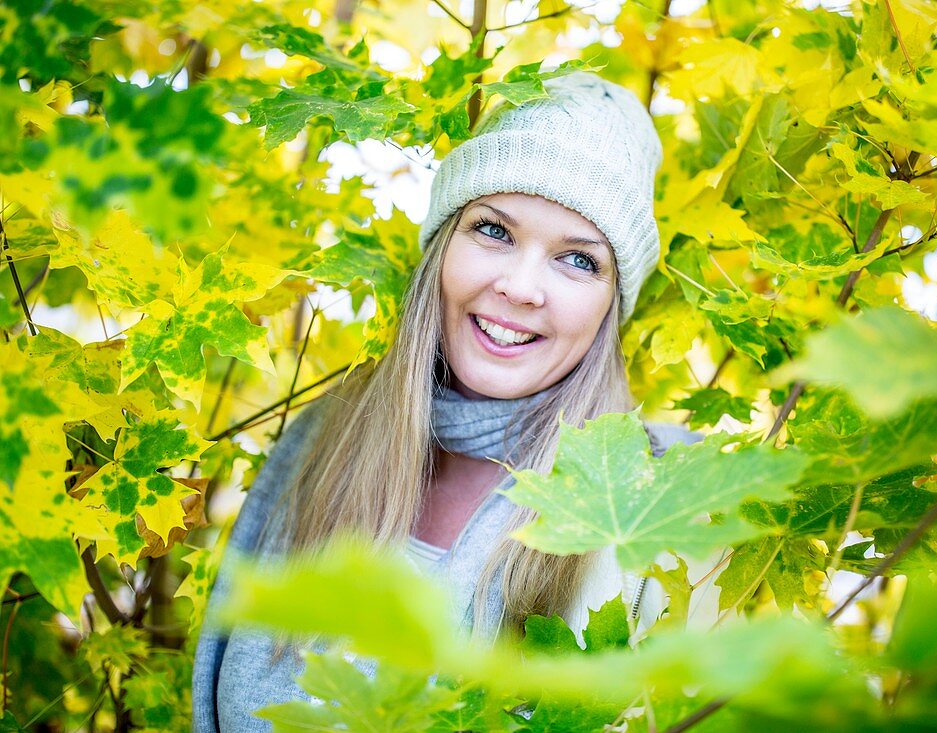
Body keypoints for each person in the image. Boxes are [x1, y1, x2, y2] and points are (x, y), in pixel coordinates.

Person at [191, 71, 700, 732]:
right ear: (441, 247)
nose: (520, 287)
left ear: (612, 303)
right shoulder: (324, 439)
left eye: (579, 261)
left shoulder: (649, 511)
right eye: (494, 230)